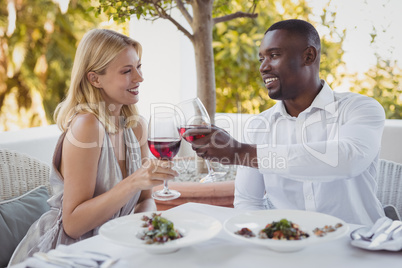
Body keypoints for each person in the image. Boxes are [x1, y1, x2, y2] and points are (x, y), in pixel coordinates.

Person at [185, 19, 385, 225]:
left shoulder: (359, 108)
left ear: (309, 56)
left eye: (274, 55)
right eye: (261, 58)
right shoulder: (258, 125)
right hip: (290, 247)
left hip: (361, 244)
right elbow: (248, 201)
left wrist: (242, 153)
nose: (263, 67)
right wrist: (268, 236)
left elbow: (347, 159)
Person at [9, 29, 177, 265]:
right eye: (127, 71)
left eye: (139, 67)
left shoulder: (136, 126)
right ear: (94, 79)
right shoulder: (87, 126)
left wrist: (142, 235)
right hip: (70, 253)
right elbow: (73, 225)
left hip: (116, 246)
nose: (139, 78)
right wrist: (134, 181)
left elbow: (144, 200)